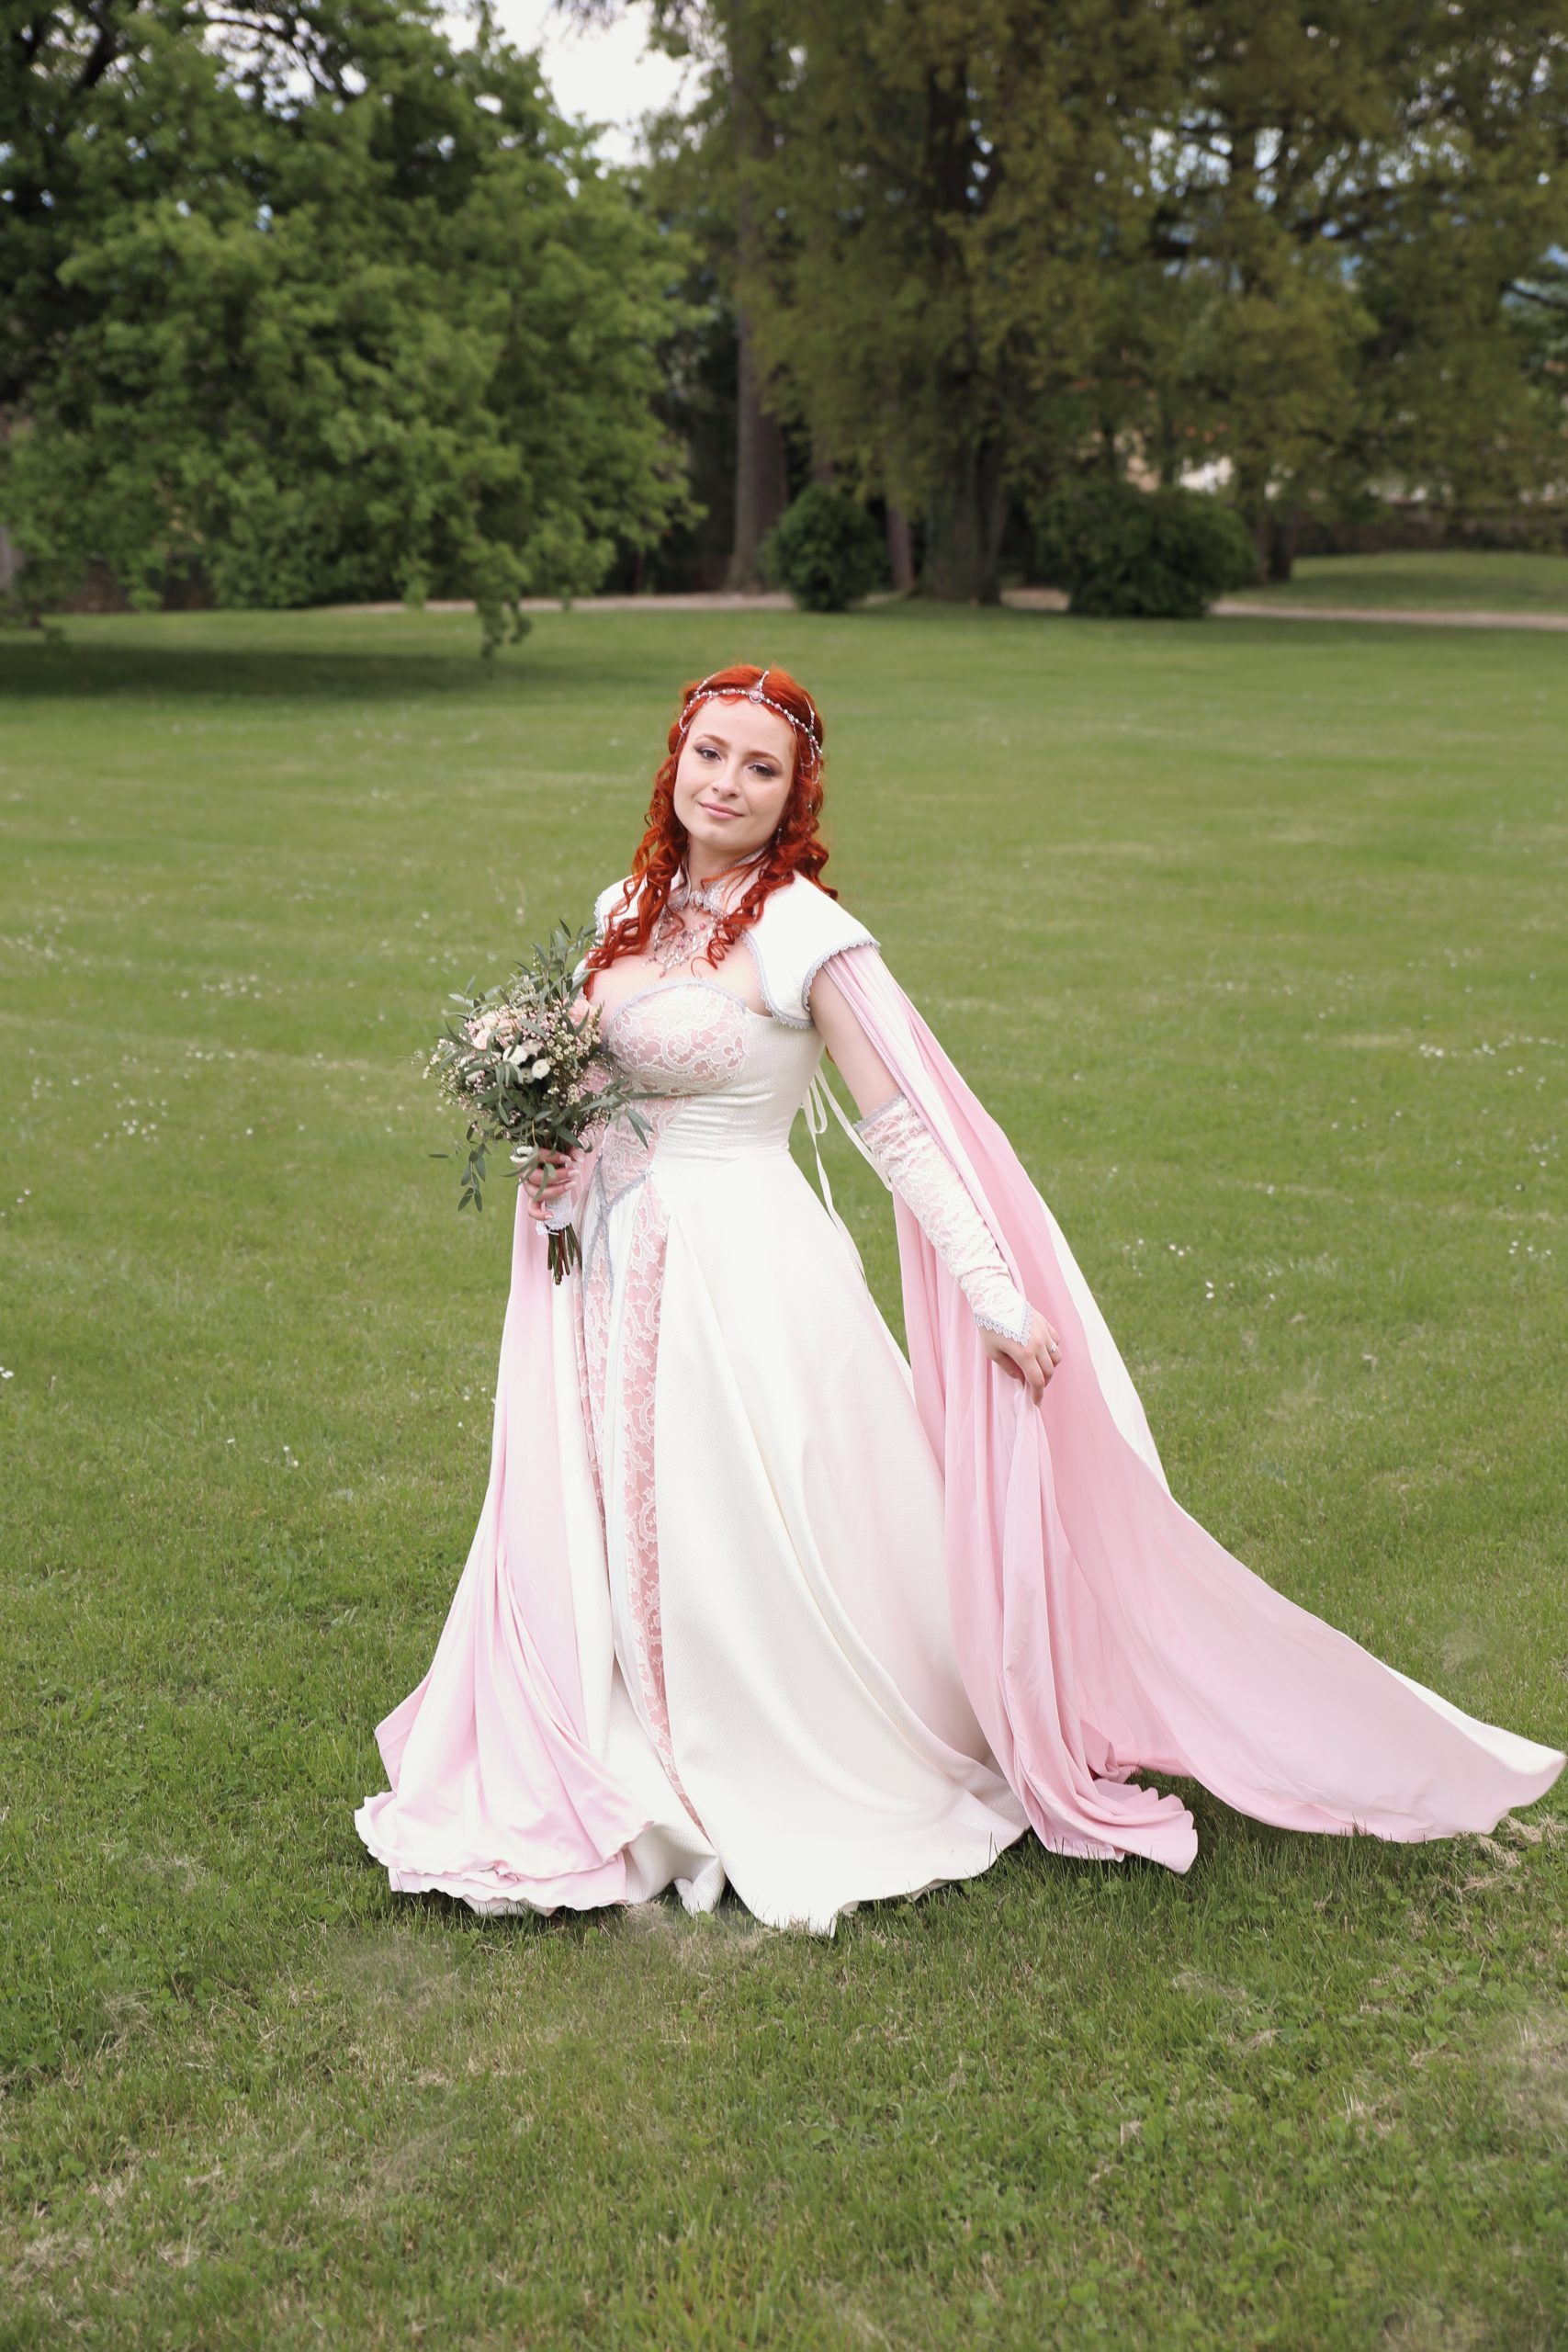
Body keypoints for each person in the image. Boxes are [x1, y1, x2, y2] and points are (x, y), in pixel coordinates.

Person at [355, 662, 1563, 1934]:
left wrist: (994, 1293)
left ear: (794, 796)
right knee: (610, 1497)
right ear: (676, 760)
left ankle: (744, 1742)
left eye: (762, 768)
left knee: (726, 1518)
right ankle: (612, 1728)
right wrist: (543, 1132)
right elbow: (599, 1083)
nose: (728, 783)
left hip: (737, 1275)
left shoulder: (805, 935)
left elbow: (901, 1128)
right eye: (710, 754)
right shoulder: (625, 908)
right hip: (605, 1261)